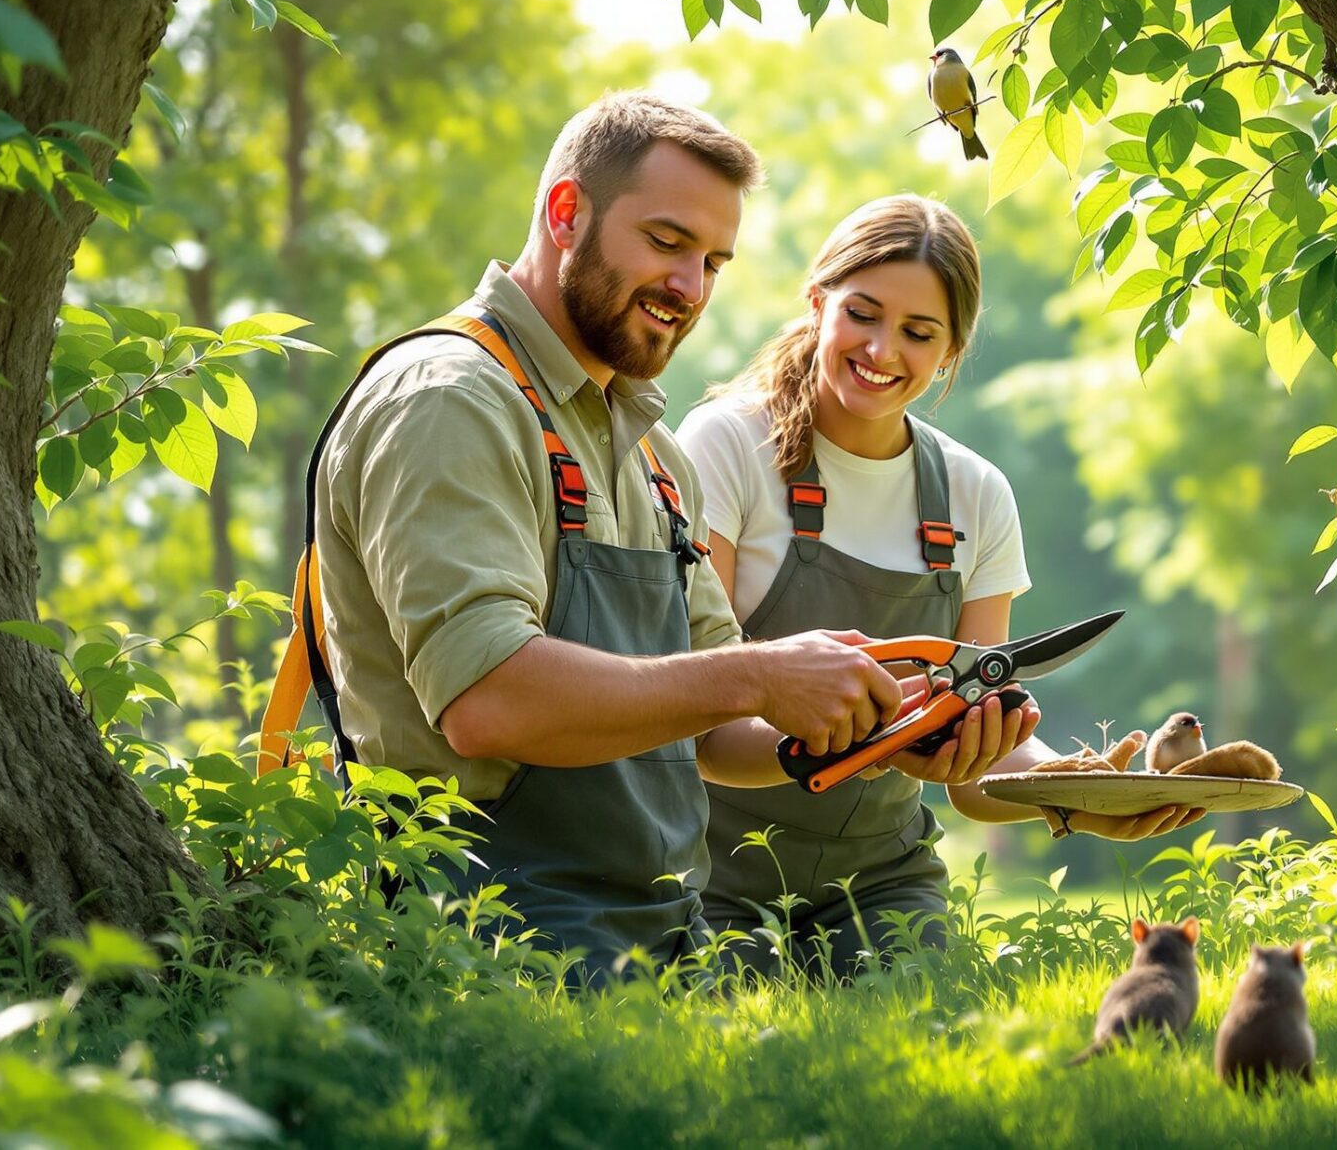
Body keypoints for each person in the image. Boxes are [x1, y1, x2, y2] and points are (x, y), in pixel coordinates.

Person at [302, 92, 901, 982]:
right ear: (566, 211)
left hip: (662, 944)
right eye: (666, 242)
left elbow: (714, 733)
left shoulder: (655, 453)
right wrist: (763, 671)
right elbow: (489, 699)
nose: (690, 288)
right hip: (480, 948)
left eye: (712, 261)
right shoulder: (451, 399)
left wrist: (876, 727)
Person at [677, 195, 1202, 976]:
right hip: (709, 876)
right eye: (863, 313)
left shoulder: (975, 494)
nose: (884, 349)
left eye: (920, 332)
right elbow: (705, 735)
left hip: (882, 884)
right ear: (818, 302)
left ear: (952, 351)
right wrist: (881, 740)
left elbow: (978, 768)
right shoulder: (726, 447)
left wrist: (1073, 793)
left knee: (924, 1042)